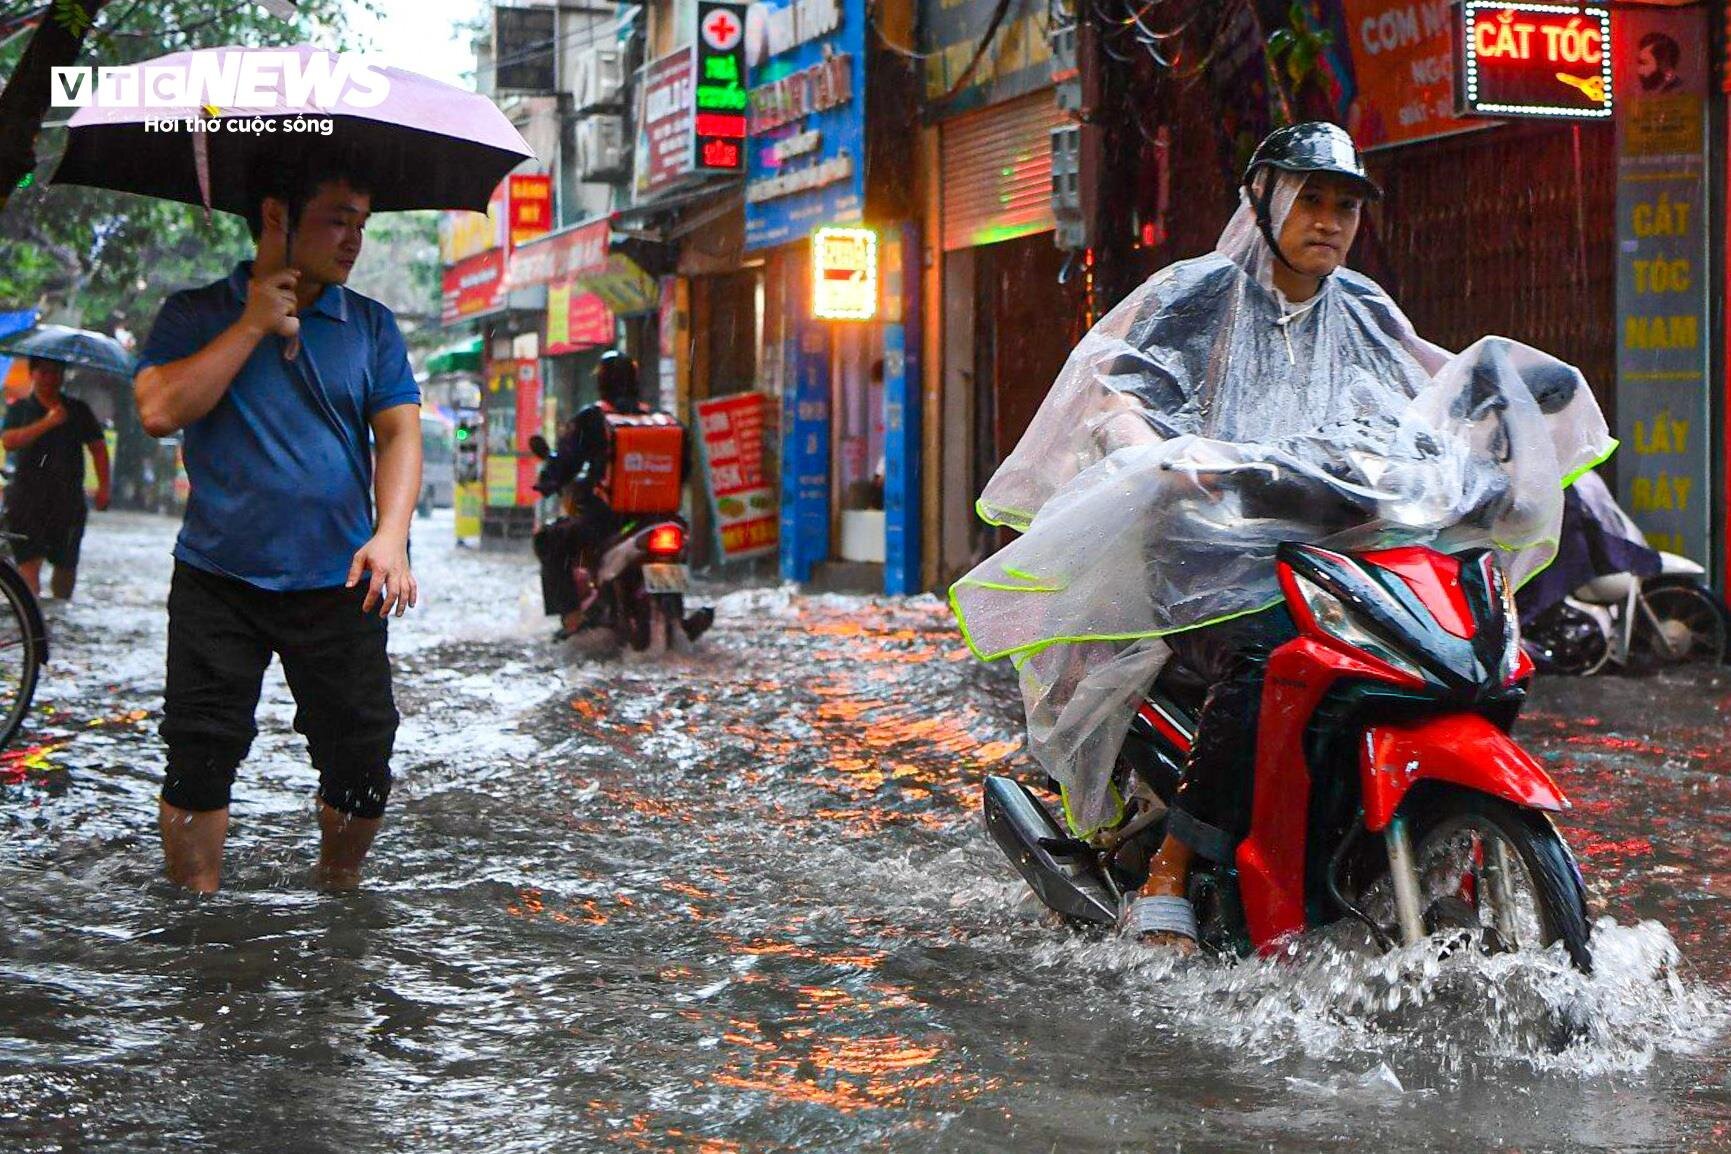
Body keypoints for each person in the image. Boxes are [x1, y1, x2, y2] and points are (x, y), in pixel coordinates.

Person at [950, 122, 1611, 949]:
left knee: (1453, 647)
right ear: (1262, 199)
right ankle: (1170, 874)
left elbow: (1426, 395)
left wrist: (1495, 435)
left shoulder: (1364, 307)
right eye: (1311, 198)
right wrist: (1148, 449)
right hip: (1205, 557)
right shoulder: (1192, 297)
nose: (1329, 219)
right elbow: (1112, 391)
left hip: (1337, 547)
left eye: (1345, 205)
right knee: (1271, 650)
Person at [132, 153, 422, 893]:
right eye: (336, 219)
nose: (354, 239)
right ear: (274, 217)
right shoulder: (194, 313)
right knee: (200, 751)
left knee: (361, 757)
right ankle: (195, 919)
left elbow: (398, 435)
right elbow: (160, 411)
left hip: (340, 578)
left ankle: (338, 889)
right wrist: (253, 324)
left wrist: (390, 537)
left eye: (362, 223)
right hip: (216, 577)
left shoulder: (370, 326)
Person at [533, 351, 710, 642]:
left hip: (605, 522)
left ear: (601, 382)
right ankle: (677, 614)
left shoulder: (592, 419)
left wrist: (549, 480)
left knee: (550, 540)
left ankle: (572, 616)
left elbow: (564, 463)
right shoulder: (663, 420)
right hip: (661, 518)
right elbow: (685, 469)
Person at [1, 357, 110, 598]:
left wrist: (104, 487)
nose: (51, 379)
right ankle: (32, 622)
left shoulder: (78, 410)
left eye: (56, 373)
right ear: (33, 374)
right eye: (45, 372)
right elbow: (9, 441)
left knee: (66, 565)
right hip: (26, 500)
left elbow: (98, 447)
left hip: (67, 500)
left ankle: (59, 613)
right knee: (29, 564)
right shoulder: (20, 409)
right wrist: (48, 423)